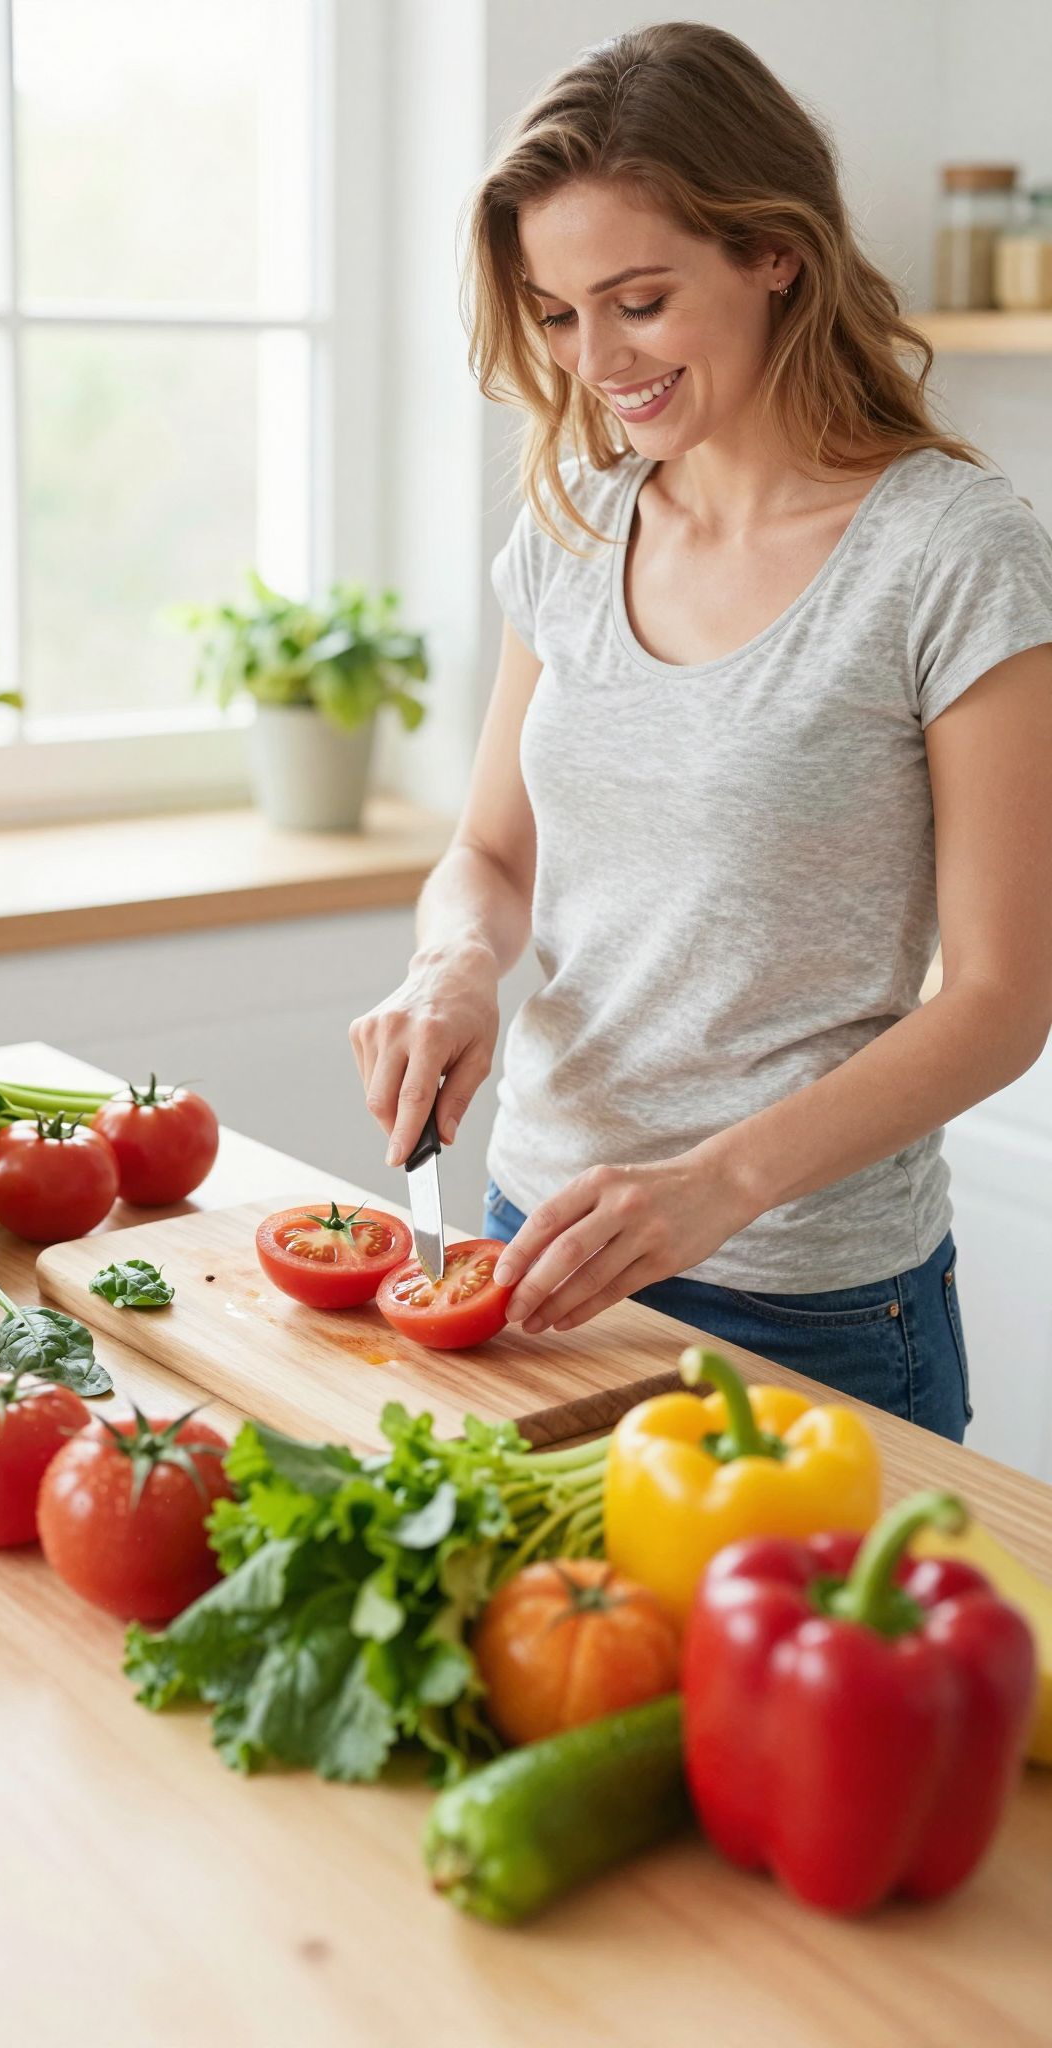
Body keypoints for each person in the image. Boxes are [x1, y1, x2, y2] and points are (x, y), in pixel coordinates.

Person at [349, 23, 1052, 1442]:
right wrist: (454, 963)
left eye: (640, 302)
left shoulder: (952, 553)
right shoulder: (574, 523)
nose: (595, 362)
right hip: (533, 1243)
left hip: (812, 1304)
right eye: (554, 314)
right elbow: (490, 851)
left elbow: (998, 1000)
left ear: (772, 252)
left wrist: (716, 1184)